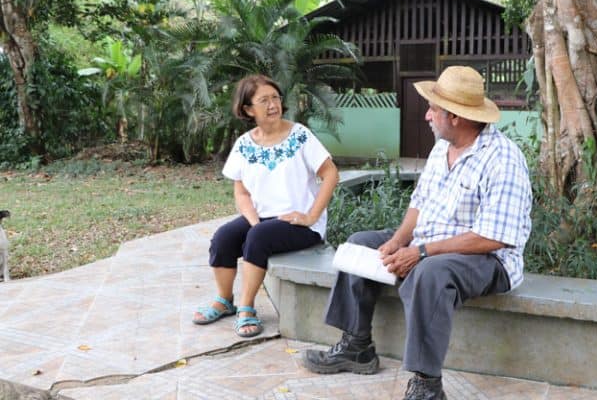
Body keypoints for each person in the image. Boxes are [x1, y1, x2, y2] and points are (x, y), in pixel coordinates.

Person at [302, 66, 532, 400]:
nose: (426, 116)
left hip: (485, 258)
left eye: (433, 109)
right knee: (360, 245)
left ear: (454, 117)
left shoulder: (504, 159)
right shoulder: (442, 149)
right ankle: (357, 346)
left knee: (429, 272)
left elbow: (493, 237)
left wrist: (422, 252)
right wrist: (397, 241)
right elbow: (419, 203)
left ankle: (427, 384)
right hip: (429, 243)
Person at [193, 74, 339, 337]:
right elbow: (242, 192)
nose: (273, 105)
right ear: (248, 109)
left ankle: (247, 307)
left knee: (259, 237)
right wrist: (252, 221)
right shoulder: (245, 144)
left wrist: (311, 216)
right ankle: (225, 300)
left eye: (275, 98)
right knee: (224, 237)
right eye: (264, 100)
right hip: (263, 219)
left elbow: (331, 174)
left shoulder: (300, 136)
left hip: (300, 224)